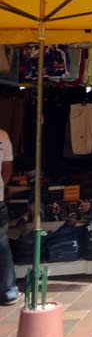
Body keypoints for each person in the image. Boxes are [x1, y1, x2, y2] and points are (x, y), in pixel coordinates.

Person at [0, 127, 19, 305]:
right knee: (2, 245)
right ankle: (8, 291)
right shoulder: (2, 135)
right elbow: (7, 168)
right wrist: (1, 187)